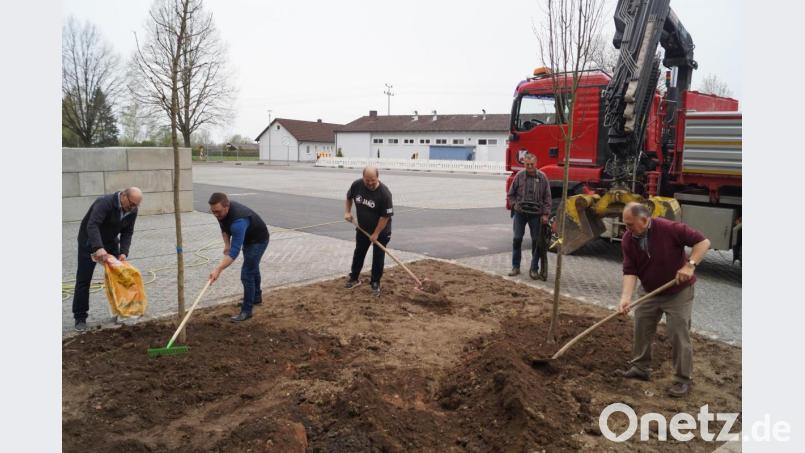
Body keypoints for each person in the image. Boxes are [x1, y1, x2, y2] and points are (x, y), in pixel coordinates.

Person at [616, 202, 711, 397]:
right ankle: (640, 368)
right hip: (650, 290)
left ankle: (683, 379)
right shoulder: (628, 239)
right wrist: (625, 298)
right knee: (641, 326)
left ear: (644, 220)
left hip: (678, 291)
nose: (627, 228)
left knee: (677, 332)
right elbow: (630, 270)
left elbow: (703, 242)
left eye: (630, 224)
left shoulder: (669, 228)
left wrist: (690, 265)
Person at [72, 187, 143, 332]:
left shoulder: (132, 210)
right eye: (132, 204)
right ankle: (80, 318)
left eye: (136, 205)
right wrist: (98, 247)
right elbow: (92, 225)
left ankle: (120, 312)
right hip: (89, 243)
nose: (133, 208)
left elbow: (127, 232)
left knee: (121, 277)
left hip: (110, 243)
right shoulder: (104, 203)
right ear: (123, 196)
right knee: (84, 280)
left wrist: (123, 252)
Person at [207, 193, 270, 322]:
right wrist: (226, 244)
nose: (216, 215)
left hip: (258, 240)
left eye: (218, 211)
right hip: (248, 239)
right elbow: (223, 227)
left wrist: (218, 269)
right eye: (213, 212)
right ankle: (256, 297)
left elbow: (234, 253)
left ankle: (247, 311)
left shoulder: (238, 221)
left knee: (247, 274)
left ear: (226, 206)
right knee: (252, 267)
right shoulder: (221, 212)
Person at [344, 166, 394, 297]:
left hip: (381, 231)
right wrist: (347, 212)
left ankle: (375, 282)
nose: (370, 183)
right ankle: (354, 278)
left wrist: (376, 233)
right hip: (363, 229)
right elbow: (349, 197)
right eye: (367, 180)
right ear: (363, 178)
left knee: (378, 257)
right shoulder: (357, 185)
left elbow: (385, 217)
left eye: (373, 180)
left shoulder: (384, 194)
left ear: (378, 177)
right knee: (359, 252)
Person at [506, 153, 551, 280]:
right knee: (517, 239)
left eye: (532, 164)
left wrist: (546, 214)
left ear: (536, 164)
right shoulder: (519, 176)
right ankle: (516, 267)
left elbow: (547, 198)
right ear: (524, 164)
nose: (530, 167)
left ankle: (534, 269)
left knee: (536, 242)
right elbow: (510, 195)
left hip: (536, 215)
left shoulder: (543, 178)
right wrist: (514, 205)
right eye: (527, 164)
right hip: (520, 214)